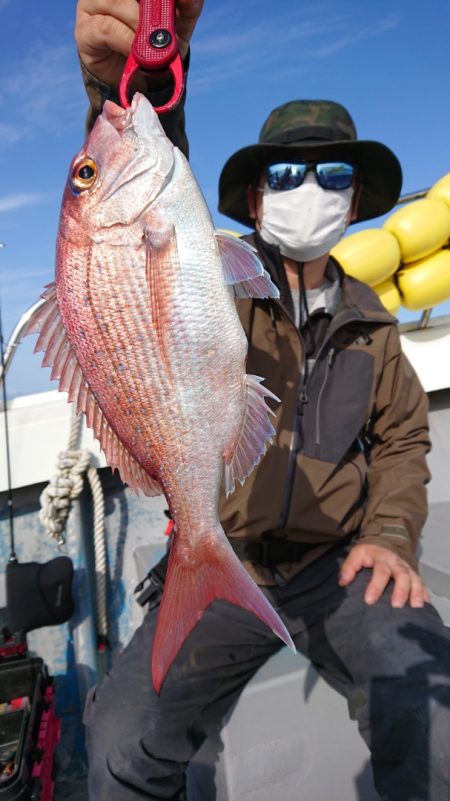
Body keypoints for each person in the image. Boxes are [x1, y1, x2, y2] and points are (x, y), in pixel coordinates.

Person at [75, 2, 450, 799]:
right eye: (284, 174)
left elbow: (404, 443)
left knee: (440, 720)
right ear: (251, 199)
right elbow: (144, 204)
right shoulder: (216, 278)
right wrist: (127, 78)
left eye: (335, 175)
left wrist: (389, 533)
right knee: (118, 741)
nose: (308, 190)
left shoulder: (375, 329)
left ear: (354, 205)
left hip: (336, 565)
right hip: (223, 554)